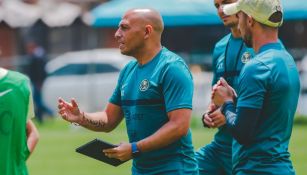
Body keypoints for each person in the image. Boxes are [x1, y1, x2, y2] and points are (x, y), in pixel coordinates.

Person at [58, 8, 198, 175]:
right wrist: (81, 117)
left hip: (175, 170)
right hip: (140, 170)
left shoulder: (172, 68)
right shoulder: (128, 71)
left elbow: (179, 126)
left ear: (147, 31)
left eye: (124, 28)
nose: (117, 34)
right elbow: (109, 118)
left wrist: (134, 148)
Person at [211, 0, 300, 174]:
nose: (239, 22)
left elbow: (242, 132)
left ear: (249, 20)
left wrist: (227, 102)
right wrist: (236, 98)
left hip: (256, 169)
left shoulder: (256, 67)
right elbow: (266, 111)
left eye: (240, 15)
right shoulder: (287, 61)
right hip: (281, 167)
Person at [195, 0, 253, 174]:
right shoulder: (220, 47)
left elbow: (268, 99)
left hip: (250, 149)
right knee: (180, 168)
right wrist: (209, 113)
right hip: (221, 147)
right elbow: (216, 93)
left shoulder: (260, 45)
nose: (221, 10)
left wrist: (228, 111)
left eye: (227, 2)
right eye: (216, 5)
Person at [0, 67, 39, 175]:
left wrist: (17, 162)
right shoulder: (20, 83)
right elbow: (34, 134)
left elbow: (33, 133)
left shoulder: (19, 84)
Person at [26, 41, 53, 123]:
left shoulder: (37, 57)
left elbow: (39, 71)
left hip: (37, 82)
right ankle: (40, 117)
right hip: (37, 81)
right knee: (37, 100)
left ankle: (49, 112)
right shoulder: (37, 56)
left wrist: (39, 82)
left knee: (38, 101)